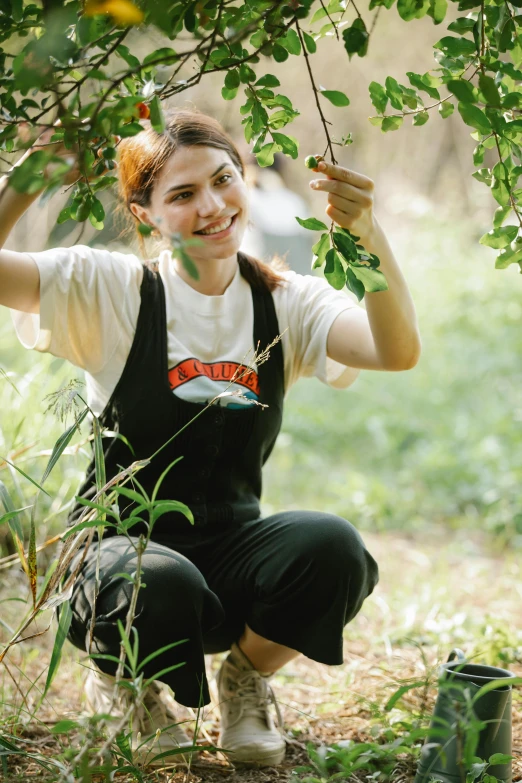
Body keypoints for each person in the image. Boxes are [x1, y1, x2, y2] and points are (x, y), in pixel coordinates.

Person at [0, 108, 420, 768]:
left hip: (229, 556)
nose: (213, 206)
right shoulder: (113, 289)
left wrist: (368, 233)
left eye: (224, 179)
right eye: (183, 194)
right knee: (161, 580)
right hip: (118, 560)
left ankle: (246, 678)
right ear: (145, 215)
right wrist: (29, 178)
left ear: (246, 175)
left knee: (334, 547)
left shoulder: (287, 301)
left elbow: (395, 350)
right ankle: (126, 682)